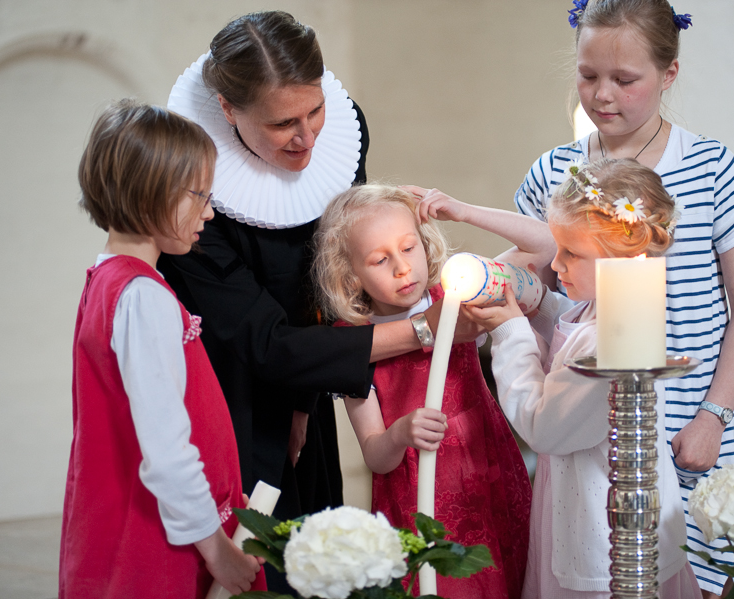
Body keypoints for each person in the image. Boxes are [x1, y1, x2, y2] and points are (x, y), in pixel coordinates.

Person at [156, 11, 479, 591]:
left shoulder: (342, 130)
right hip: (231, 392)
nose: (307, 138)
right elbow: (261, 342)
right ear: (228, 110)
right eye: (283, 123)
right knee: (255, 565)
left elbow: (331, 270)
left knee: (315, 561)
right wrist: (425, 329)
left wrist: (305, 399)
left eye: (315, 111)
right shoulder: (189, 192)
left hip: (319, 365)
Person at [512, 2, 734, 595]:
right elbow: (537, 282)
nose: (602, 95)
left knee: (694, 578)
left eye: (625, 80)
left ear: (669, 73)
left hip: (692, 427)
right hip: (590, 443)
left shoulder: (711, 169)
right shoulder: (554, 173)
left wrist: (714, 416)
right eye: (588, 75)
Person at [421, 158, 701, 599]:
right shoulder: (612, 310)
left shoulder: (618, 338)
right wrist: (538, 308)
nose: (557, 263)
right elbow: (570, 336)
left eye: (572, 253)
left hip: (603, 531)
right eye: (558, 247)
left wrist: (510, 331)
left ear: (623, 256)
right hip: (584, 507)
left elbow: (545, 426)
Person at [60, 99, 264, 598]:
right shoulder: (142, 297)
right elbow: (167, 452)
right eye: (199, 195)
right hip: (157, 545)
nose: (209, 211)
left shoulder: (109, 279)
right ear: (154, 191)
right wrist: (217, 551)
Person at [312, 184, 533, 599]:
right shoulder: (353, 347)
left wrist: (463, 209)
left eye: (408, 248)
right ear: (349, 274)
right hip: (421, 499)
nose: (401, 268)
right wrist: (400, 433)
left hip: (491, 476)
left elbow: (543, 246)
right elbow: (376, 456)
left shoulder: (455, 296)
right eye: (380, 259)